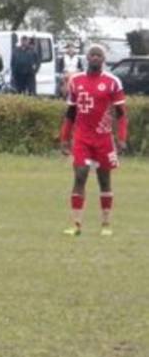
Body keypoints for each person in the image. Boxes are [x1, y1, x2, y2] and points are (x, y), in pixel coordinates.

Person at [60, 45, 127, 237]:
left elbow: (121, 114)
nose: (95, 58)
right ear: (87, 58)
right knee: (80, 175)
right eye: (92, 55)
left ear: (103, 59)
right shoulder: (76, 81)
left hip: (103, 137)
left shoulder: (112, 82)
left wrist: (121, 138)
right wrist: (64, 138)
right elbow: (70, 113)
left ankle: (106, 224)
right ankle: (76, 224)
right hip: (82, 137)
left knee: (104, 180)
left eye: (99, 55)